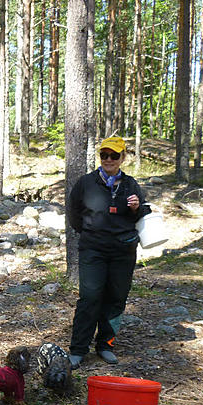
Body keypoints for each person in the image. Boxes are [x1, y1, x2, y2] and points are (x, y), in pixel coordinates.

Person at [66, 137, 151, 368]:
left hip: (123, 251)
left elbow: (141, 214)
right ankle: (78, 349)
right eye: (105, 155)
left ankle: (105, 345)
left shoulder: (131, 185)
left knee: (116, 298)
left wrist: (135, 208)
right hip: (93, 249)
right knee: (90, 297)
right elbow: (73, 212)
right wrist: (89, 233)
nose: (109, 160)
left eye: (114, 155)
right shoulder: (86, 183)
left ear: (123, 157)